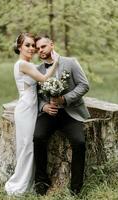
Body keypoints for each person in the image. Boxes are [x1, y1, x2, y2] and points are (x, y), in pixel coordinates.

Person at [33, 36, 90, 196]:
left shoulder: (70, 62)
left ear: (52, 44)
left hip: (70, 112)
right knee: (37, 137)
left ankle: (76, 189)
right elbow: (34, 97)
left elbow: (84, 85)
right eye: (38, 49)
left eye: (43, 46)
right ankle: (41, 182)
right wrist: (44, 106)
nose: (40, 50)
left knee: (79, 142)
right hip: (49, 114)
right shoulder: (37, 70)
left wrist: (65, 99)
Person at [5, 33, 58, 196]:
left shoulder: (27, 64)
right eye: (27, 45)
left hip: (31, 107)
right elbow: (43, 79)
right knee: (27, 146)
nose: (31, 48)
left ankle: (28, 180)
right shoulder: (23, 64)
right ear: (19, 47)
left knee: (27, 145)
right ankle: (20, 184)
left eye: (32, 45)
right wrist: (56, 61)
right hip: (26, 108)